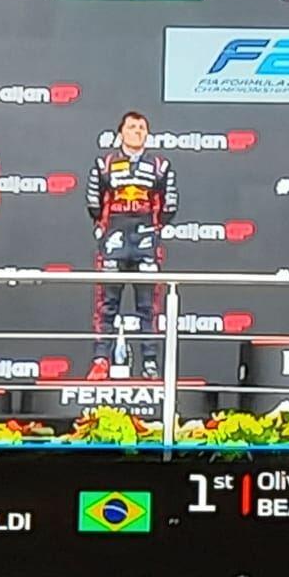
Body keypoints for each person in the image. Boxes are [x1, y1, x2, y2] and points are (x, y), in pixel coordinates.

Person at [85, 111, 178, 380]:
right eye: (132, 127)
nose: (137, 131)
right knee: (106, 304)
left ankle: (150, 363)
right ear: (121, 133)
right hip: (113, 238)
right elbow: (93, 201)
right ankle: (101, 360)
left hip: (145, 240)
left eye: (141, 127)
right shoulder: (104, 164)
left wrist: (154, 226)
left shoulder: (160, 165)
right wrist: (106, 226)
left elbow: (170, 203)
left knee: (149, 307)